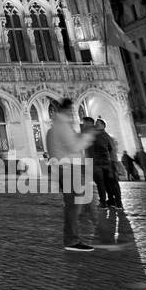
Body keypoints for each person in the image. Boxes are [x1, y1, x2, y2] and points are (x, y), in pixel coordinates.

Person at [46, 98, 96, 251]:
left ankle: (72, 238)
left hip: (62, 168)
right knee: (73, 205)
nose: (73, 113)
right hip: (69, 168)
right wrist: (88, 136)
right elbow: (74, 146)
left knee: (73, 204)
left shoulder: (53, 128)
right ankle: (72, 240)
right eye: (71, 110)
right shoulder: (62, 126)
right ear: (67, 110)